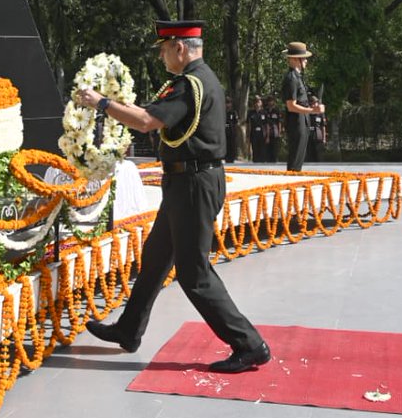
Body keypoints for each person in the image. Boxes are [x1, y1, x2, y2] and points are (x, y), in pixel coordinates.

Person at [75, 20, 270, 374]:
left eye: (165, 49)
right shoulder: (197, 79)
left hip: (194, 184)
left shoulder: (188, 84)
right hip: (186, 182)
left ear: (180, 48)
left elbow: (148, 121)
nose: (163, 56)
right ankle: (129, 329)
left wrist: (101, 102)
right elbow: (151, 114)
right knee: (155, 257)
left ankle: (249, 344)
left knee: (194, 273)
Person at [279, 42, 318, 172]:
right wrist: (312, 110)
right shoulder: (291, 78)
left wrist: (312, 103)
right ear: (295, 59)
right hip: (296, 122)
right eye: (304, 58)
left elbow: (301, 99)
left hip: (302, 121)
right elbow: (291, 106)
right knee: (295, 160)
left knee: (299, 158)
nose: (306, 61)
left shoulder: (298, 77)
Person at [306, 95, 327, 162]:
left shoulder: (320, 114)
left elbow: (323, 126)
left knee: (319, 155)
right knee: (309, 154)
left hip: (318, 135)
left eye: (315, 103)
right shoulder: (307, 113)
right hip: (309, 135)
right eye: (312, 103)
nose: (314, 105)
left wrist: (324, 138)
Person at [246, 95, 267, 162]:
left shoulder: (264, 112)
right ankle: (255, 162)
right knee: (255, 149)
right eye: (256, 102)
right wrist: (247, 135)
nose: (257, 103)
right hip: (254, 132)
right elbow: (248, 124)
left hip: (262, 133)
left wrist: (267, 136)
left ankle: (262, 162)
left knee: (262, 149)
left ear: (261, 103)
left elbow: (266, 125)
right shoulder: (250, 113)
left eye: (259, 101)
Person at [262, 96, 282, 162]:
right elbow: (264, 122)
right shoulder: (265, 111)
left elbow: (279, 122)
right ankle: (268, 160)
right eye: (269, 101)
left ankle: (275, 160)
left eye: (271, 101)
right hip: (267, 132)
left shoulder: (277, 110)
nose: (270, 102)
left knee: (275, 149)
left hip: (275, 132)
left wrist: (279, 132)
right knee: (267, 149)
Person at [225, 97, 239, 163]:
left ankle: (232, 158)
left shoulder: (233, 113)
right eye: (226, 103)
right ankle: (226, 158)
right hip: (224, 133)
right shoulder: (223, 112)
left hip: (232, 132)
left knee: (232, 146)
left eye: (229, 103)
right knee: (226, 146)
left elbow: (236, 123)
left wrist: (236, 132)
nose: (227, 105)